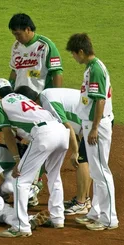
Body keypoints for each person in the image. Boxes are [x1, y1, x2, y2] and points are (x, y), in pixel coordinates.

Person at [0, 78, 69, 237]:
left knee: (20, 180)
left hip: (44, 135)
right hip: (61, 132)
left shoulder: (0, 104)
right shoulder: (23, 98)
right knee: (54, 175)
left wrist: (17, 160)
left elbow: (8, 135)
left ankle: (21, 226)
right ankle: (57, 217)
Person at [66, 33, 119, 231]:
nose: (73, 57)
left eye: (73, 53)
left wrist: (94, 128)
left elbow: (100, 101)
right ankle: (96, 212)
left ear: (81, 51)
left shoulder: (96, 69)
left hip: (97, 125)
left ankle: (109, 218)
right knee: (97, 172)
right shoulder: (92, 67)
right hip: (92, 124)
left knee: (102, 171)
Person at [38, 87, 93, 215]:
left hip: (93, 120)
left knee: (82, 160)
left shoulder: (47, 102)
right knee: (86, 158)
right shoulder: (47, 94)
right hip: (89, 119)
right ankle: (85, 199)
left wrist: (75, 151)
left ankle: (80, 204)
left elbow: (67, 127)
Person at [8, 13, 63, 93]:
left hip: (40, 97)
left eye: (18, 34)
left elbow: (57, 72)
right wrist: (9, 90)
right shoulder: (16, 46)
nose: (16, 38)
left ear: (28, 29)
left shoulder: (46, 46)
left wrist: (56, 96)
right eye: (14, 35)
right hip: (20, 97)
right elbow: (14, 71)